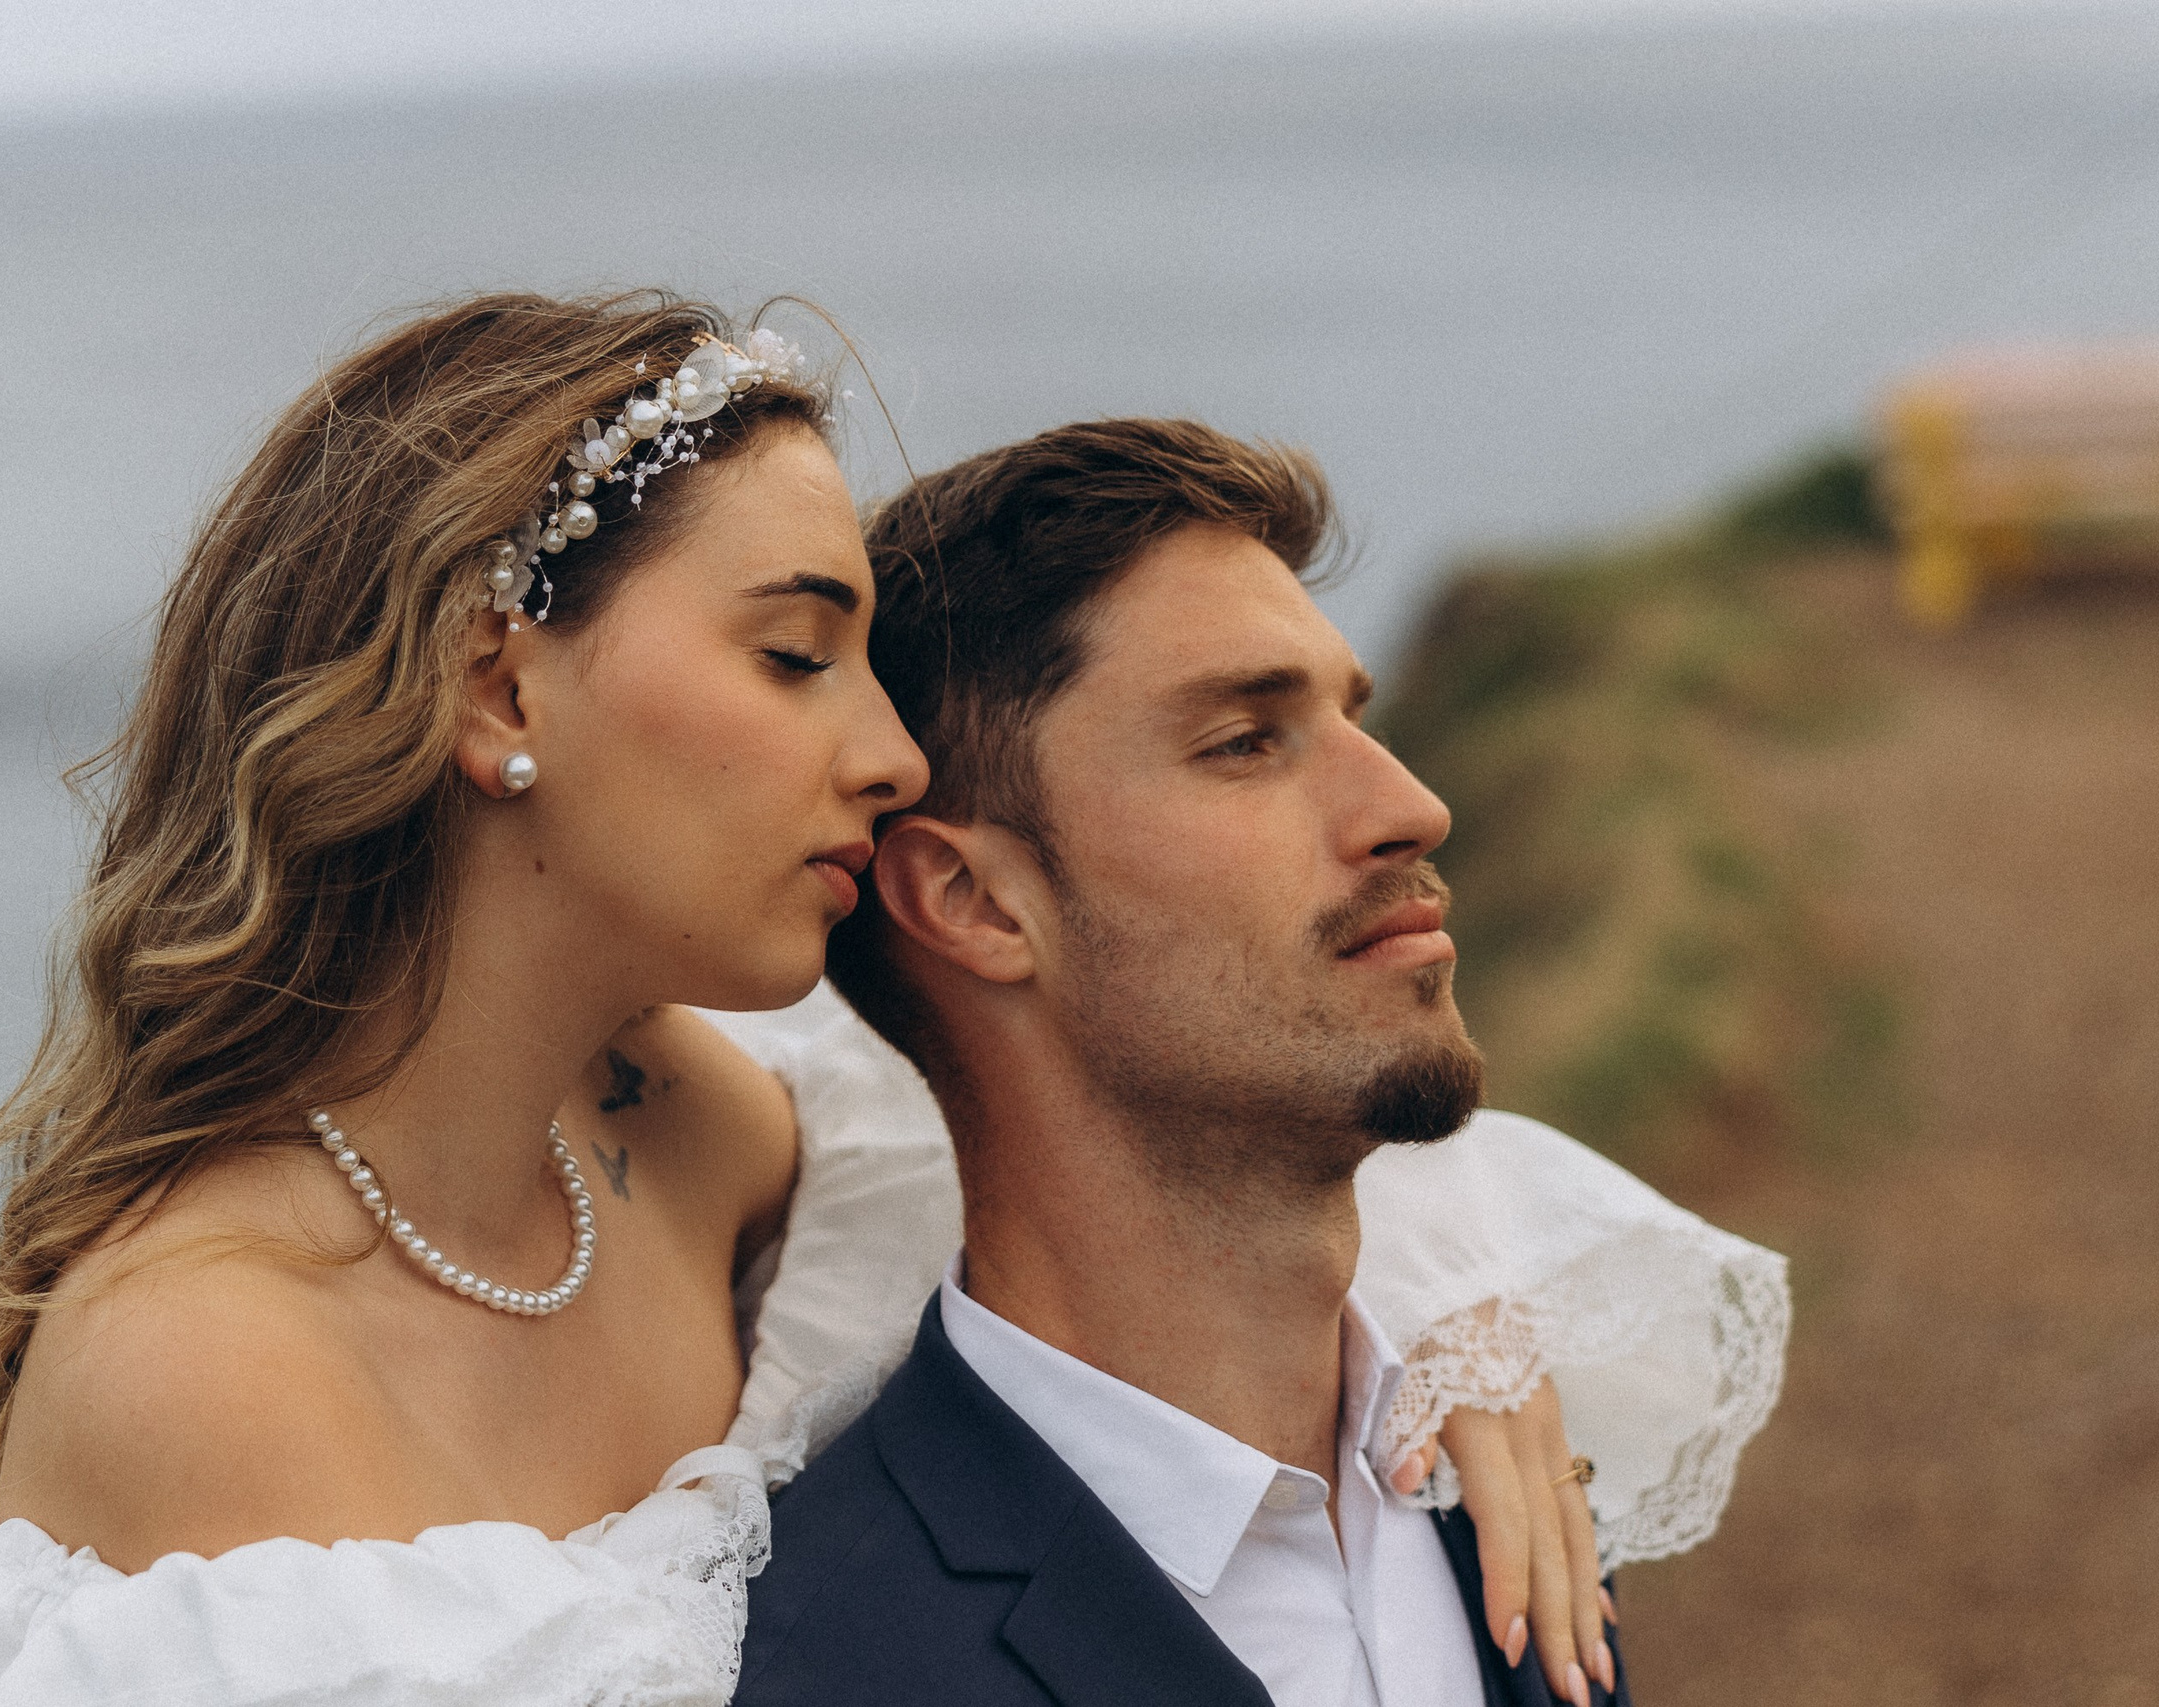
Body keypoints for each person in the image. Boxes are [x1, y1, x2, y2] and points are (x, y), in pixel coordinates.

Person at [0, 297, 1781, 1707]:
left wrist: (1446, 1335)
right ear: (499, 691)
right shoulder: (210, 1364)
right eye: (794, 656)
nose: (889, 753)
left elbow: (1157, 1139)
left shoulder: (720, 1125)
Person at [735, 420, 1789, 1707]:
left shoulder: (1503, 1488)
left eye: (1353, 717)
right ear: (975, 902)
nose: (1410, 806)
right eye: (1243, 741)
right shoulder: (833, 1663)